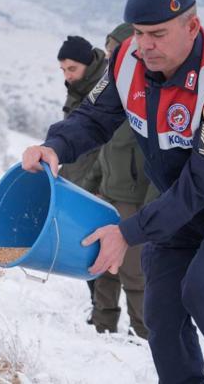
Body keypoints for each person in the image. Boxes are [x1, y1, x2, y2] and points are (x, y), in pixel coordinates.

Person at [22, 0, 204, 384]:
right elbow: (95, 118)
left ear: (192, 26)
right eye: (138, 32)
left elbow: (201, 185)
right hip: (180, 196)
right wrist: (55, 147)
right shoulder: (127, 60)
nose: (145, 45)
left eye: (157, 34)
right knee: (162, 307)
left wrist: (128, 231)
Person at [56, 30, 154, 339]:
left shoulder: (143, 100)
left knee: (134, 273)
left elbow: (157, 164)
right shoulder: (111, 97)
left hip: (134, 200)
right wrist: (90, 187)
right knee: (102, 267)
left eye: (117, 55)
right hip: (106, 193)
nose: (114, 62)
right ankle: (102, 328)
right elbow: (105, 152)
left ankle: (144, 334)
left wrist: (151, 214)